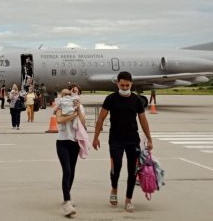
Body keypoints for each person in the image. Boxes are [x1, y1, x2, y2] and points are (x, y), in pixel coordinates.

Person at [92, 72, 153, 213]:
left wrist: (149, 138)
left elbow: (143, 120)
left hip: (132, 140)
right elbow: (101, 119)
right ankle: (114, 188)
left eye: (127, 85)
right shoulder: (111, 99)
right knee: (116, 167)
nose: (125, 87)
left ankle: (128, 200)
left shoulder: (137, 100)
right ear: (117, 83)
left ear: (131, 84)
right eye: (122, 85)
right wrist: (96, 137)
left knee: (133, 171)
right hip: (116, 140)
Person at [55, 88, 87, 217]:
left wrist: (78, 109)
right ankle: (67, 202)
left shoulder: (79, 107)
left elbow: (83, 123)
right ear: (61, 96)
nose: (67, 96)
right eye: (65, 94)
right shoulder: (59, 107)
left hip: (74, 143)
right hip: (62, 142)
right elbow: (59, 120)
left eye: (70, 94)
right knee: (67, 170)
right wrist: (73, 115)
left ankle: (67, 195)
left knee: (72, 171)